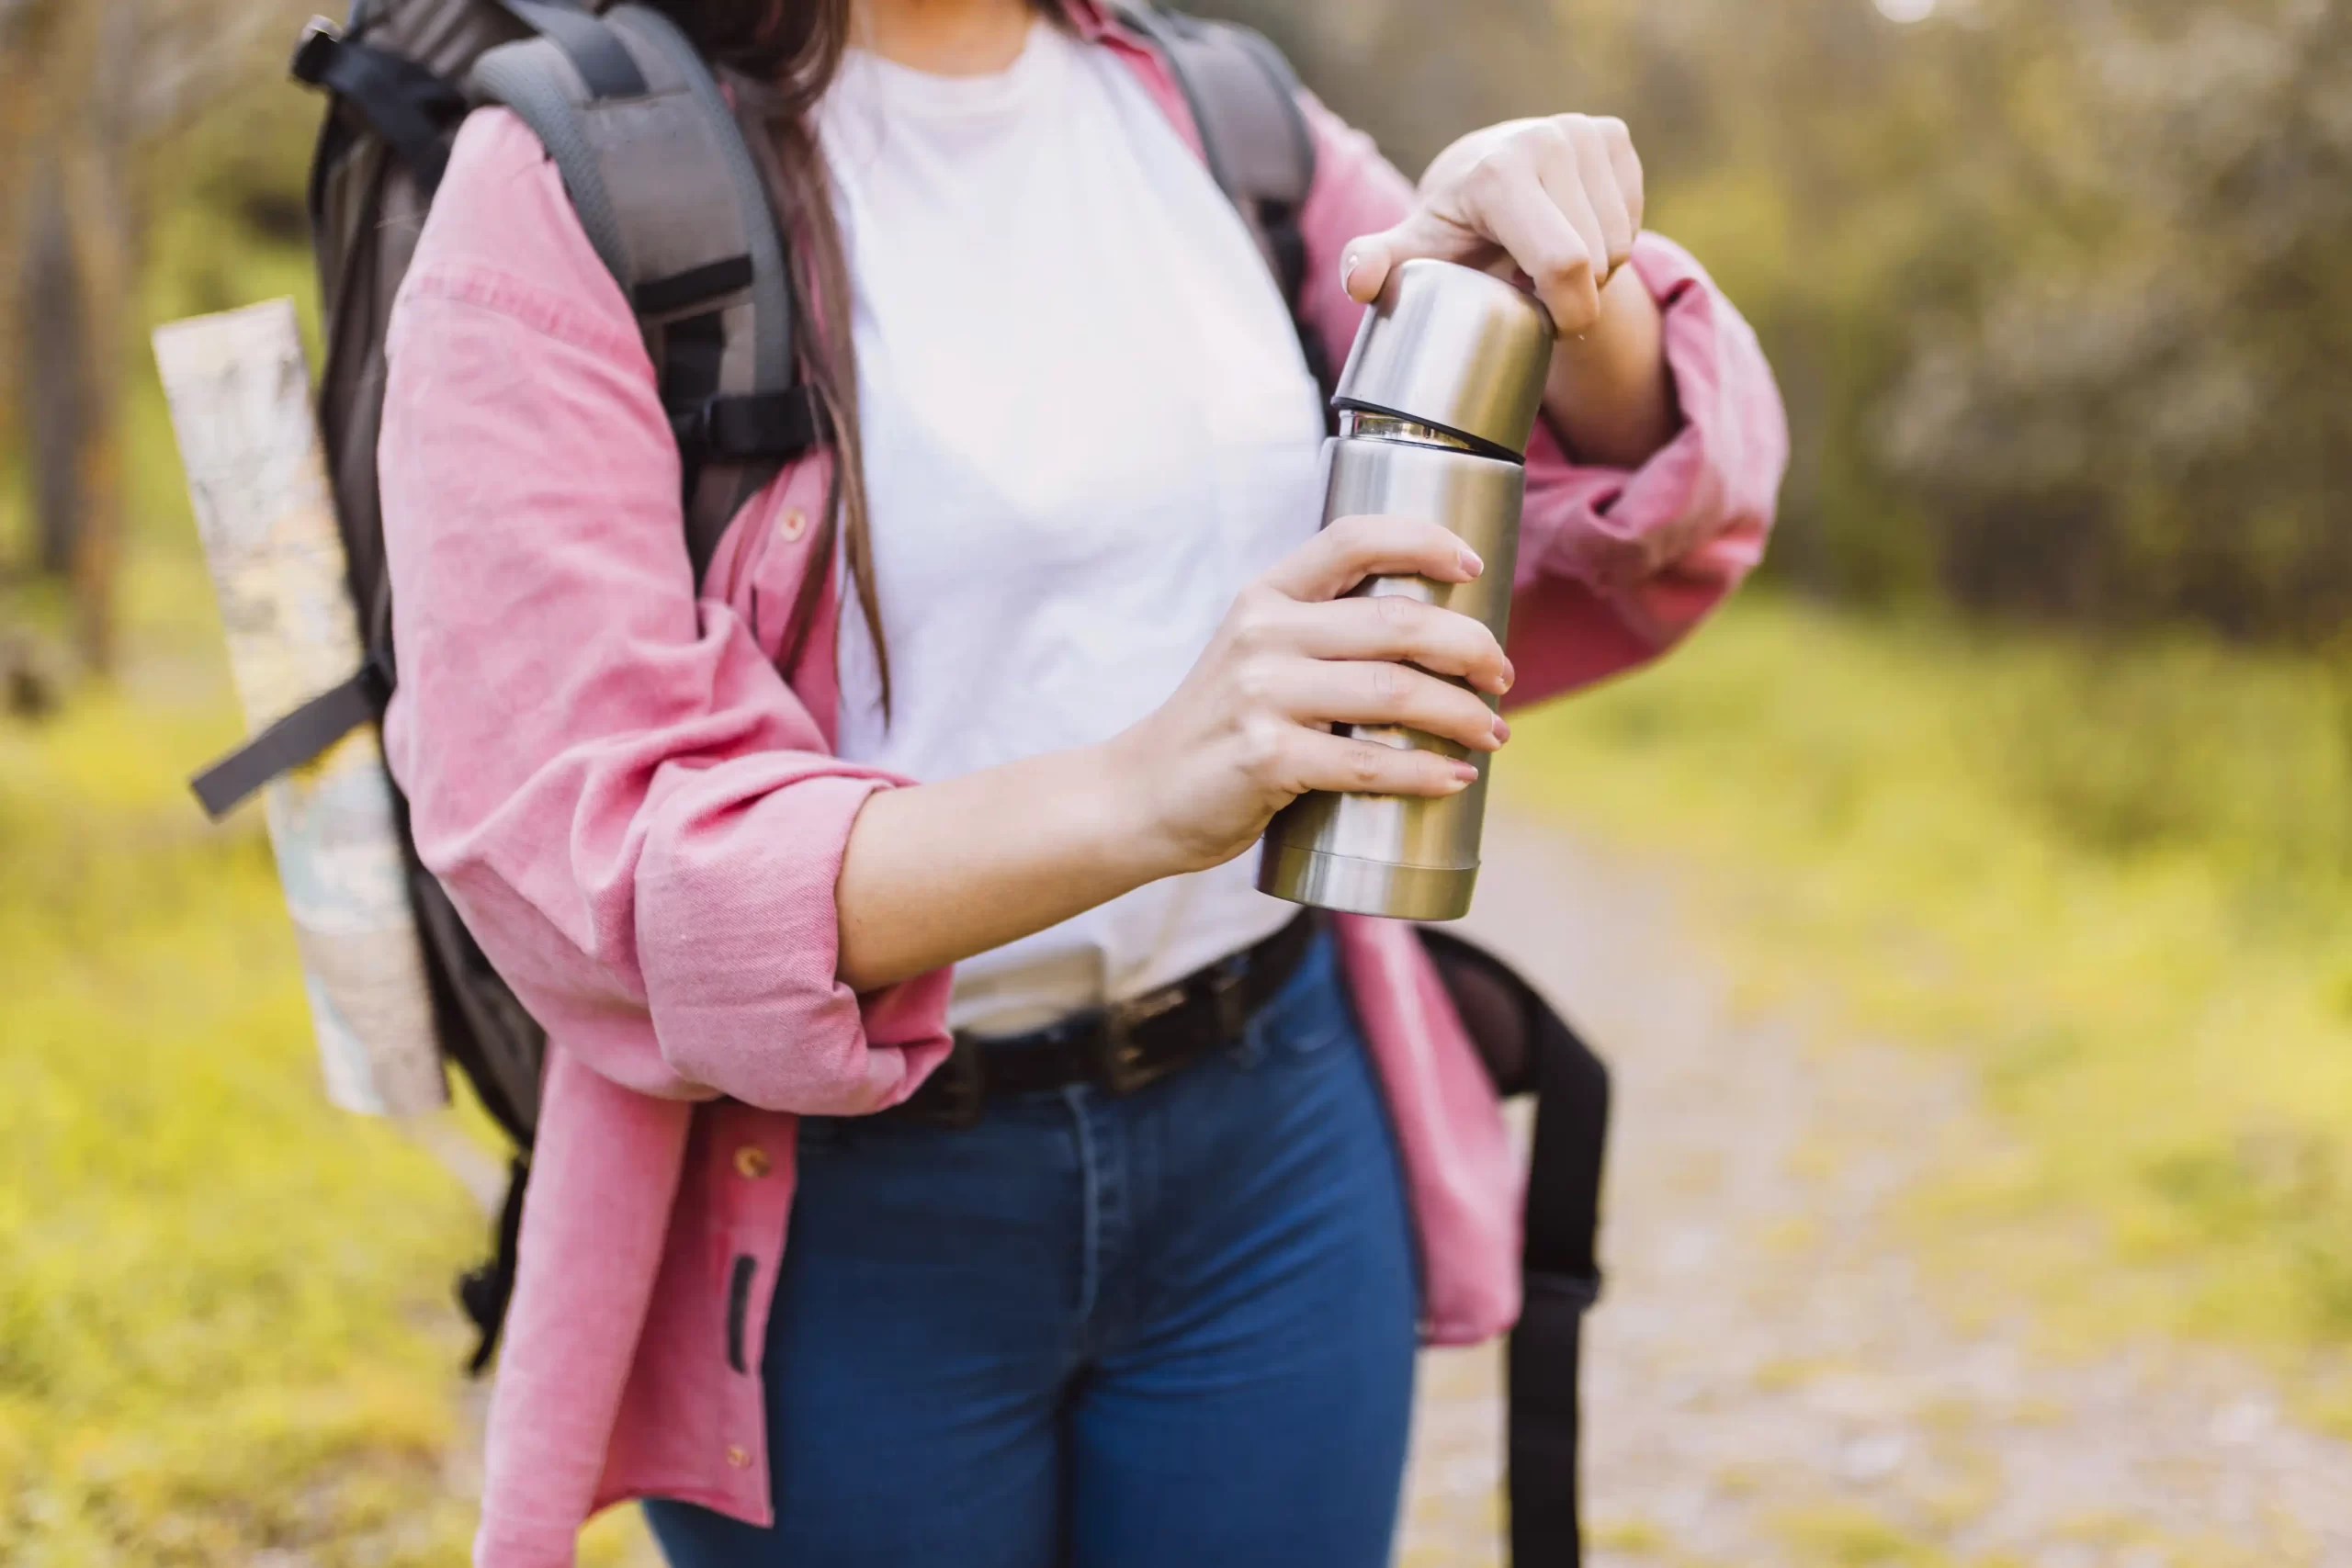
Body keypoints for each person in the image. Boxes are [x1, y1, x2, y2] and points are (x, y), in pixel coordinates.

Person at [377, 0, 1786, 1562]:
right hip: (841, 1218)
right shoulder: (568, 180)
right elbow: (579, 839)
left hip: (1276, 1139)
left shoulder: (1215, 107)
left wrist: (1562, 286)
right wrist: (1138, 793)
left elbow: (1639, 489)